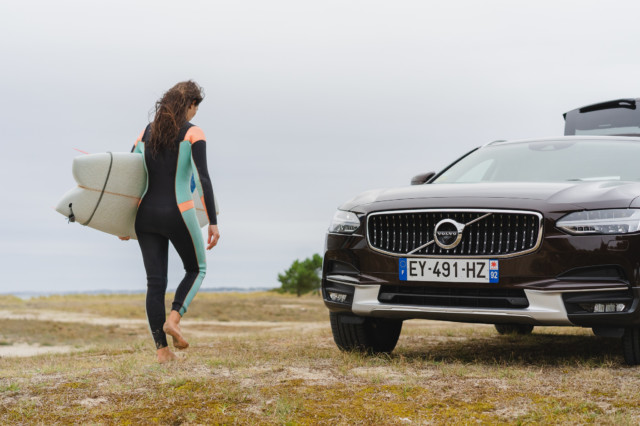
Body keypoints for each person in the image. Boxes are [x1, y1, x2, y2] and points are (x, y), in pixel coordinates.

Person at [120, 80, 220, 363]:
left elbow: (128, 177)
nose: (195, 113)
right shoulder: (193, 133)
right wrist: (213, 221)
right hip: (179, 211)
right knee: (197, 268)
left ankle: (162, 351)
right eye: (195, 107)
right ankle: (174, 319)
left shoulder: (145, 132)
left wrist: (122, 223)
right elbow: (202, 178)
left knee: (155, 283)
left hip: (145, 216)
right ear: (190, 104)